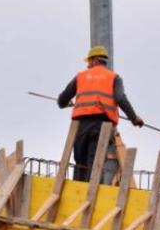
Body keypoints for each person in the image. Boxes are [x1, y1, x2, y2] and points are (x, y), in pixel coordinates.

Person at [57, 45, 144, 182]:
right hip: (102, 125)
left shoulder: (81, 77)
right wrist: (133, 118)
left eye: (89, 62)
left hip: (81, 125)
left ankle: (78, 188)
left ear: (94, 60)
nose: (88, 66)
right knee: (95, 161)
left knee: (80, 160)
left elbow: (61, 100)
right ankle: (92, 189)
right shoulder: (114, 78)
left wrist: (66, 103)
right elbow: (120, 98)